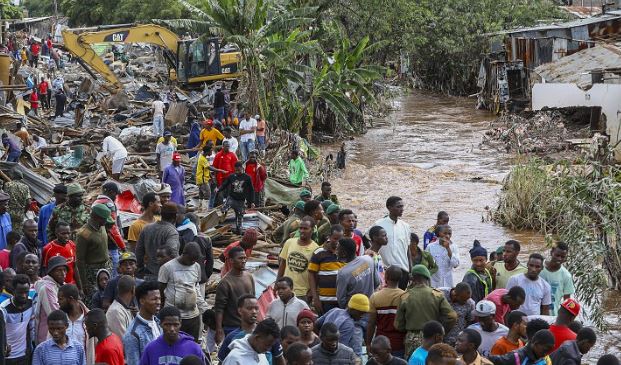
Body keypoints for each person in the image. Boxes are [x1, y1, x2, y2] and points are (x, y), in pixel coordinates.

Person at [395, 265, 457, 359]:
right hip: (433, 337)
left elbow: (398, 325)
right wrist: (442, 330)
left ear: (412, 279)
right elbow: (452, 316)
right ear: (427, 278)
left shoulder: (405, 296)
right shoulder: (437, 295)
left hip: (412, 338)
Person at [159, 242, 208, 342]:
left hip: (193, 316)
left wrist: (204, 308)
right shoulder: (168, 267)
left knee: (191, 345)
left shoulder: (196, 266)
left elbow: (196, 289)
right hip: (174, 318)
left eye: (195, 259)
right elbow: (160, 291)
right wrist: (162, 312)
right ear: (184, 254)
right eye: (191, 259)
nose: (193, 262)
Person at [218, 295, 284, 364]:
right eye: (249, 308)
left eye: (256, 308)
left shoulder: (268, 333)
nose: (254, 311)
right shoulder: (231, 338)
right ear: (240, 310)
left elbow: (280, 360)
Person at [215, 246, 255, 344]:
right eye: (240, 258)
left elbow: (253, 299)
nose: (244, 261)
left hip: (248, 326)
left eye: (245, 258)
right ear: (231, 261)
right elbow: (219, 308)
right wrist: (219, 330)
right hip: (232, 327)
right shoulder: (225, 282)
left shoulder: (249, 276)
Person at [75, 204, 114, 307]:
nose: (106, 221)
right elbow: (80, 260)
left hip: (106, 266)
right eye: (104, 219)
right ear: (96, 217)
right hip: (92, 272)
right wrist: (84, 283)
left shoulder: (102, 226)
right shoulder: (84, 234)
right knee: (94, 298)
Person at [140, 306, 206, 365]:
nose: (172, 329)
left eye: (175, 325)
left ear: (180, 323)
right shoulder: (151, 349)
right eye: (167, 325)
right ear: (160, 324)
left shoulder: (194, 348)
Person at [278, 216, 319, 302]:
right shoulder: (289, 242)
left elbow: (316, 273)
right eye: (300, 228)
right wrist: (277, 283)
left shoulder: (316, 249)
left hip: (303, 293)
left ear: (312, 230)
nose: (302, 231)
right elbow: (282, 264)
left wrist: (312, 291)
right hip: (286, 290)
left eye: (305, 228)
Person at [374, 196, 411, 290]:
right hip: (386, 270)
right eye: (398, 207)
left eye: (402, 206)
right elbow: (366, 238)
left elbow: (408, 250)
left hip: (403, 270)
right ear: (389, 208)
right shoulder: (379, 224)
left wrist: (411, 270)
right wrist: (376, 256)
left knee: (399, 299)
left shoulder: (405, 226)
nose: (402, 209)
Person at [136, 202, 179, 281]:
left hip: (149, 272)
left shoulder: (147, 228)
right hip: (165, 276)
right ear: (175, 217)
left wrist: (140, 268)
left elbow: (139, 251)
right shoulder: (171, 232)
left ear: (161, 214)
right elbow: (172, 253)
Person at [91, 182, 126, 277]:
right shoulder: (109, 204)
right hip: (110, 243)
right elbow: (113, 228)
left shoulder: (95, 203)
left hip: (98, 242)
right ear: (111, 192)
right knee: (114, 270)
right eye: (116, 194)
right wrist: (122, 246)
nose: (116, 197)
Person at [309, 224, 345, 314]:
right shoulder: (319, 252)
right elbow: (311, 275)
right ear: (329, 237)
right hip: (325, 301)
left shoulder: (346, 253)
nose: (337, 242)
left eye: (340, 239)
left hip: (342, 301)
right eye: (335, 238)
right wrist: (315, 298)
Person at [123, 280, 162, 365]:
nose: (158, 302)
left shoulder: (159, 324)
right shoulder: (133, 334)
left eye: (159, 298)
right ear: (142, 301)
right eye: (154, 299)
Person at [1, 274, 35, 365]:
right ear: (13, 290)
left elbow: (31, 326)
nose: (24, 295)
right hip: (7, 357)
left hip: (24, 355)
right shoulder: (4, 309)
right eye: (20, 292)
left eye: (26, 292)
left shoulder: (30, 303)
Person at [336, 237, 380, 308]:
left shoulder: (343, 273)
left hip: (355, 312)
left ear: (344, 253)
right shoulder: (368, 259)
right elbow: (377, 283)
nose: (336, 252)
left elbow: (341, 300)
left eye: (338, 249)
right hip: (371, 307)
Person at [34, 256, 67, 344]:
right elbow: (55, 313)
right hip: (47, 336)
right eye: (59, 270)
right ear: (51, 272)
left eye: (64, 270)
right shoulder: (47, 288)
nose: (63, 273)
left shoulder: (61, 285)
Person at [217, 161, 255, 234]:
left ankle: (239, 233)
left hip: (241, 201)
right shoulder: (231, 176)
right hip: (232, 198)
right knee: (224, 208)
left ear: (242, 168)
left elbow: (251, 190)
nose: (237, 172)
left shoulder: (247, 178)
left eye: (239, 170)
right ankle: (221, 217)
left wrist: (252, 201)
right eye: (236, 170)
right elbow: (225, 184)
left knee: (239, 219)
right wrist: (219, 189)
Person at [540, 242, 575, 316]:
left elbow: (567, 301)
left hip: (552, 315)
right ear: (551, 252)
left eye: (563, 257)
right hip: (534, 312)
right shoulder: (538, 267)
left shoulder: (566, 276)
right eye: (557, 255)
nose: (559, 259)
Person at [42, 221, 79, 287]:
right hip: (56, 287)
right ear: (56, 233)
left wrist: (80, 288)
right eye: (63, 234)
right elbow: (44, 271)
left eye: (68, 233)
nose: (66, 236)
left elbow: (74, 267)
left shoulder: (72, 245)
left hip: (71, 285)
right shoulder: (48, 249)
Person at [488, 329, 555, 365]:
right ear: (536, 344)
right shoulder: (516, 357)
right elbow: (493, 360)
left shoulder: (543, 360)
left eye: (548, 351)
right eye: (544, 350)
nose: (545, 354)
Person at [440, 282, 475, 347]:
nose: (466, 302)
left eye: (468, 298)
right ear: (455, 294)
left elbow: (470, 322)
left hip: (456, 341)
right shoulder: (441, 294)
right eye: (463, 299)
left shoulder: (470, 303)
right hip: (439, 337)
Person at [196, 144, 226, 210]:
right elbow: (209, 168)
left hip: (202, 179)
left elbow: (206, 169)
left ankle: (200, 208)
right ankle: (204, 209)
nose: (211, 153)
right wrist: (220, 170)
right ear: (207, 151)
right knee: (207, 194)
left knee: (201, 195)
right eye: (210, 151)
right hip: (203, 180)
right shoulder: (202, 159)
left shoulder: (203, 158)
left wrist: (211, 178)